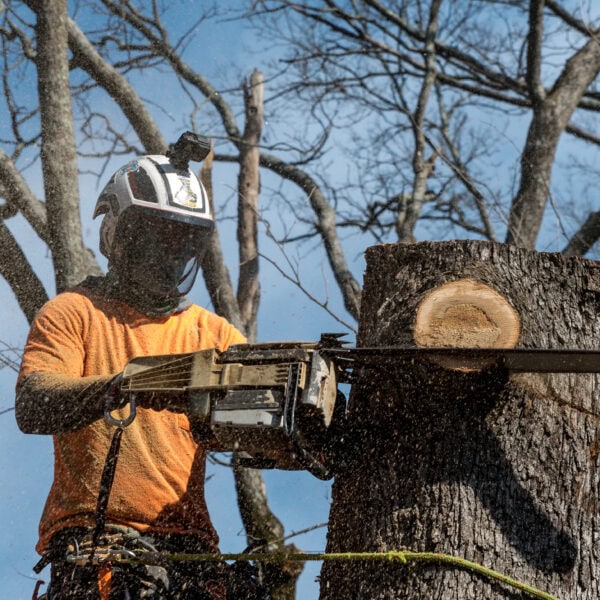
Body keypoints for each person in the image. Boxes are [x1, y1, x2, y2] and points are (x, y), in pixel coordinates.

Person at [16, 151, 253, 599]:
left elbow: (258, 418)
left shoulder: (214, 333)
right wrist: (127, 384)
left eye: (182, 243)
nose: (170, 255)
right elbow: (34, 402)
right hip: (97, 544)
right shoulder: (75, 313)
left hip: (190, 550)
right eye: (158, 240)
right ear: (118, 236)